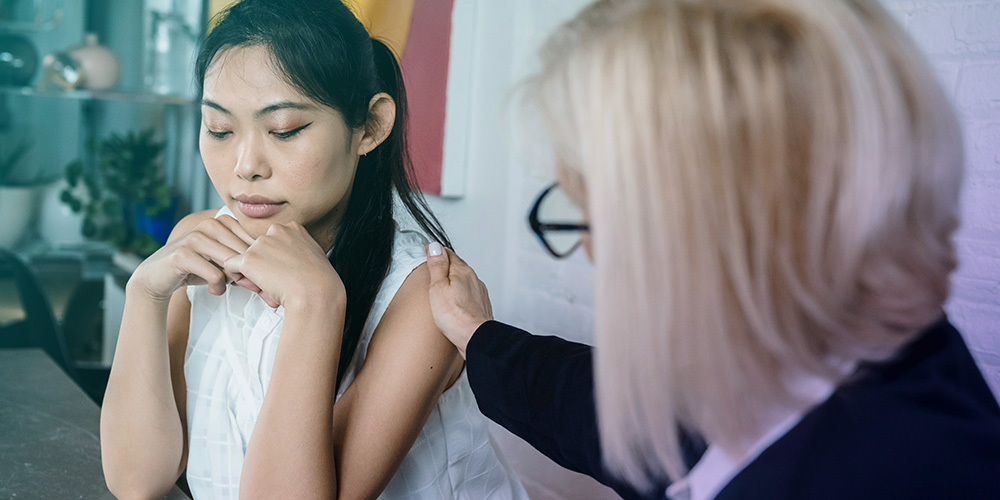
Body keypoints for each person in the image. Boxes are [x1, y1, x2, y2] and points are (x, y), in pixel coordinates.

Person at [424, 0, 1000, 499]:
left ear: (706, 227)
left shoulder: (906, 472)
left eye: (595, 214)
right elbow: (602, 412)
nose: (587, 250)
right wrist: (479, 336)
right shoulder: (806, 361)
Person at [99, 1, 527, 499]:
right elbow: (136, 481)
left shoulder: (423, 298)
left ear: (370, 126)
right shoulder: (199, 242)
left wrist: (315, 305)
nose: (245, 166)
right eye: (219, 128)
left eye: (284, 130)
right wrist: (144, 295)